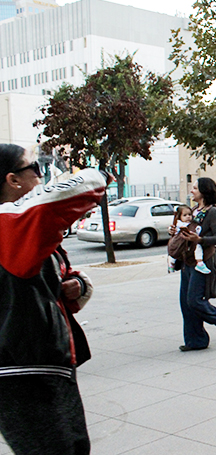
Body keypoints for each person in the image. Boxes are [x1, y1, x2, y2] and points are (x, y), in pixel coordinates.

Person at [0, 143, 110, 454]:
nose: (41, 176)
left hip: (45, 361)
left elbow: (60, 276)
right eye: (33, 169)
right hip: (23, 369)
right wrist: (95, 172)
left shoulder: (22, 227)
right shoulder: (9, 224)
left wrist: (76, 284)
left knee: (73, 445)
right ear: (12, 180)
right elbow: (84, 188)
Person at [171, 177, 216, 352]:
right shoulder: (193, 210)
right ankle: (195, 340)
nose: (192, 190)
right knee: (185, 302)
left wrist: (199, 239)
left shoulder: (213, 211)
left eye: (195, 188)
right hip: (188, 260)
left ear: (204, 191)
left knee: (194, 300)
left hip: (203, 261)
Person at [168, 204, 211, 274]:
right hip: (179, 242)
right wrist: (171, 230)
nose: (188, 217)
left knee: (197, 247)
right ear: (180, 217)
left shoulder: (191, 223)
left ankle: (199, 262)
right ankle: (171, 263)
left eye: (189, 215)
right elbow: (173, 229)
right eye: (185, 215)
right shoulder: (180, 224)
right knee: (175, 251)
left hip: (187, 244)